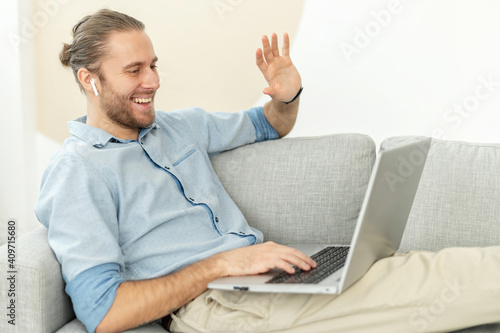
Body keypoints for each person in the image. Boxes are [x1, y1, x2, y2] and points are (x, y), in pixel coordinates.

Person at [36, 8, 500, 333]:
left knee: (418, 267)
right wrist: (222, 264)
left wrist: (285, 97)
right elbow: (103, 312)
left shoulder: (178, 127)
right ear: (89, 80)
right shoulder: (77, 173)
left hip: (261, 281)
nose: (153, 81)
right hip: (216, 309)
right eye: (134, 70)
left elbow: (268, 125)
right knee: (450, 280)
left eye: (154, 65)